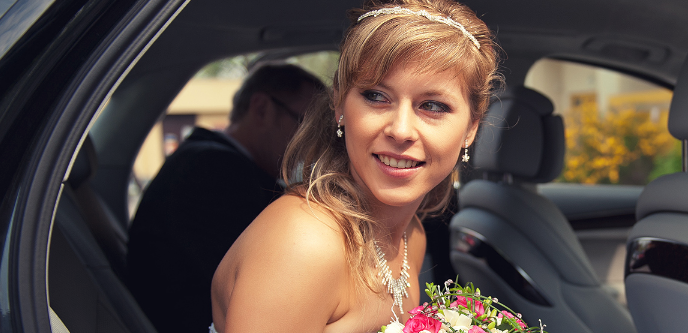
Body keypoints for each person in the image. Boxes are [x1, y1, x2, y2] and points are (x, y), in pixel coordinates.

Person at [209, 0, 500, 332]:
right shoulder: (304, 244)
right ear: (340, 105)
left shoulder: (410, 235)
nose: (401, 130)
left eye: (433, 105)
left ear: (471, 127)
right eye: (376, 96)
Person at [126, 63, 326, 332]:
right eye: (304, 123)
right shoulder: (214, 173)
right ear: (261, 108)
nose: (313, 141)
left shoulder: (211, 163)